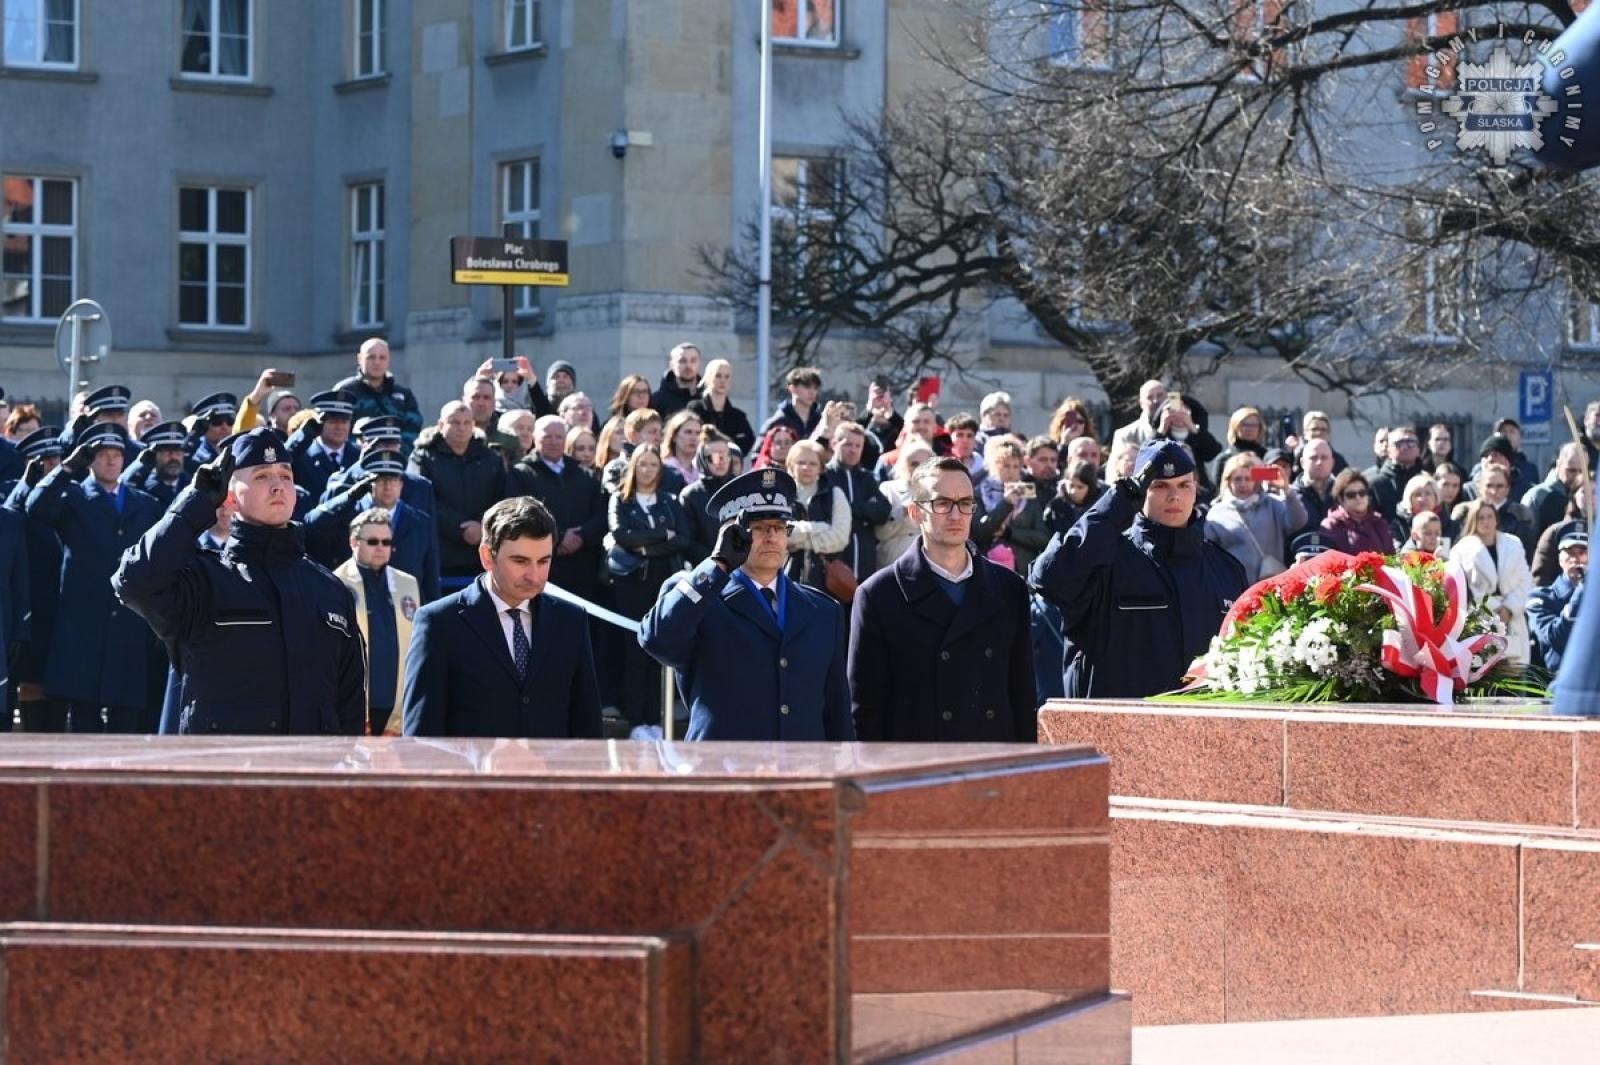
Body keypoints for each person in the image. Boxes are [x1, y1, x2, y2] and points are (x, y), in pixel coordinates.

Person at [113, 427, 367, 734]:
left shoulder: (327, 588)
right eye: (262, 476)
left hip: (309, 773)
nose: (278, 487)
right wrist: (195, 504)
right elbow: (134, 581)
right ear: (230, 497)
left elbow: (349, 700)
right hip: (226, 771)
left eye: (285, 475)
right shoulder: (204, 580)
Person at [638, 467, 854, 740]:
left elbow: (836, 710)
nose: (771, 537)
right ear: (731, 535)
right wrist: (717, 565)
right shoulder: (700, 596)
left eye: (779, 527)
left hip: (802, 772)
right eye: (758, 528)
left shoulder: (822, 610)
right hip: (726, 771)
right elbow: (658, 641)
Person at [1029, 439, 1247, 698]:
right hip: (1116, 728)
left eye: (1184, 485)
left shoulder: (1225, 568)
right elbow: (1050, 578)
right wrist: (1117, 502)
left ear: (1196, 489)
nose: (1174, 496)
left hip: (1203, 728)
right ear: (1139, 492)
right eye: (1160, 485)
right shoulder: (1104, 559)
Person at [849, 455, 1035, 742]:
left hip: (994, 763)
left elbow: (1022, 695)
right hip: (919, 769)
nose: (956, 515)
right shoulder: (878, 595)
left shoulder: (1008, 589)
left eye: (964, 503)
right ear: (915, 512)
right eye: (942, 503)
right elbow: (865, 709)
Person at [401, 496, 602, 738]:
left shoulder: (571, 621)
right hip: (472, 774)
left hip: (549, 773)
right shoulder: (439, 623)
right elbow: (422, 734)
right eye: (520, 561)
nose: (534, 575)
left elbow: (587, 724)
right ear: (487, 556)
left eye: (544, 561)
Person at [26, 422, 162, 732]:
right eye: (102, 454)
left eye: (117, 454)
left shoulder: (145, 504)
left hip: (128, 627)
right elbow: (35, 507)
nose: (111, 461)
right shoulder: (73, 497)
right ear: (90, 459)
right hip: (83, 630)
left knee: (126, 724)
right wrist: (66, 469)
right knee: (83, 724)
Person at [607, 445, 695, 729]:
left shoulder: (670, 501)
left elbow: (682, 539)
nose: (647, 470)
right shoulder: (620, 499)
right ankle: (636, 721)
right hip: (631, 583)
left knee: (658, 651)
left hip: (662, 581)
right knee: (633, 652)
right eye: (642, 464)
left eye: (653, 465)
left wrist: (645, 547)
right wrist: (660, 536)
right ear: (633, 466)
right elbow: (620, 534)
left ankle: (656, 719)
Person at [304, 453, 441, 602]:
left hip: (405, 604)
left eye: (393, 480)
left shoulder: (419, 522)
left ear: (401, 484)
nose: (388, 487)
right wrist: (349, 496)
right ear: (369, 484)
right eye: (381, 480)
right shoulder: (350, 513)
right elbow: (311, 524)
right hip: (356, 601)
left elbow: (431, 576)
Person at [334, 508, 420, 736]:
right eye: (372, 541)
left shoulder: (408, 584)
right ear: (354, 541)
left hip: (397, 704)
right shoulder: (335, 582)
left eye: (386, 541)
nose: (381, 547)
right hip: (353, 703)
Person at [409, 400, 508, 591]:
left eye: (467, 423)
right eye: (455, 422)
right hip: (440, 555)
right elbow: (421, 499)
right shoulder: (423, 457)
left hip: (482, 553)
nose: (461, 428)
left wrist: (482, 527)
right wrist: (459, 528)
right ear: (440, 425)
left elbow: (502, 499)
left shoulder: (490, 458)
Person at [509, 416, 607, 605]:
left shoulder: (585, 475)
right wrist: (560, 537)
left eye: (559, 437)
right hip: (542, 568)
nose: (553, 442)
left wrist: (582, 535)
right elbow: (519, 516)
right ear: (534, 438)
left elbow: (601, 514)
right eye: (547, 437)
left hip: (584, 568)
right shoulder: (520, 474)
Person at [5, 426, 65, 732]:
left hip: (63, 605)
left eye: (56, 459)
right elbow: (9, 520)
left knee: (59, 683)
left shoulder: (68, 493)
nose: (52, 466)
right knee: (31, 681)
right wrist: (26, 483)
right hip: (33, 605)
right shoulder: (20, 494)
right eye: (44, 461)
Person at [1448, 498, 1533, 669]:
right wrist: (1494, 608)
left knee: (1516, 674)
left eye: (1490, 516)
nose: (1486, 521)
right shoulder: (1461, 549)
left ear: (1496, 519)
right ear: (1473, 520)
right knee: (1485, 671)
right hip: (1481, 618)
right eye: (1481, 517)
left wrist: (1509, 608)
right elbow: (1462, 588)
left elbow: (1525, 580)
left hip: (1513, 617)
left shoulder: (1514, 544)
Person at [1205, 452, 1307, 581]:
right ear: (1228, 481)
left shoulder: (1272, 504)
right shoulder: (1217, 512)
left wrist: (1287, 491)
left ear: (1256, 481)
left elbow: (1299, 522)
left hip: (1269, 582)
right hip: (1234, 584)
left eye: (1248, 479)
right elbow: (1210, 553)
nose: (1243, 484)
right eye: (1237, 479)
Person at [972, 436, 1051, 575]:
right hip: (989, 571)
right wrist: (1006, 503)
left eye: (1016, 466)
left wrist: (1010, 533)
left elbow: (1043, 538)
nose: (1011, 471)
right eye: (1006, 466)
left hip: (1023, 572)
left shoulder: (1027, 494)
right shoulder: (979, 493)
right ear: (994, 465)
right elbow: (980, 532)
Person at [333, 338, 425, 456]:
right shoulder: (345, 392)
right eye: (371, 357)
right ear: (360, 359)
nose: (377, 362)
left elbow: (413, 431)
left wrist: (394, 452)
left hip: (396, 462)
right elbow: (335, 430)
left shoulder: (404, 395)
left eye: (382, 357)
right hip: (355, 462)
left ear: (388, 360)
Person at [825, 421, 892, 581]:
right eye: (848, 444)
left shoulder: (867, 477)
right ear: (834, 444)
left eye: (858, 445)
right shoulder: (824, 476)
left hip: (864, 565)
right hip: (833, 566)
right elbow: (826, 511)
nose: (853, 450)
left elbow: (883, 510)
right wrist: (864, 515)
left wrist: (850, 509)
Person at [785, 440, 851, 595]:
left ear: (821, 468)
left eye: (812, 463)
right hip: (785, 578)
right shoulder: (779, 496)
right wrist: (819, 527)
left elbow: (840, 537)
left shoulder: (835, 495)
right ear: (790, 466)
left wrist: (799, 541)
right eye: (801, 462)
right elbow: (779, 533)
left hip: (824, 584)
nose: (806, 468)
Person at [1527, 531, 1587, 675]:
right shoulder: (1540, 597)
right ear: (1560, 559)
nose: (1576, 559)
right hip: (1559, 677)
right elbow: (1555, 637)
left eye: (1582, 552)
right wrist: (1581, 591)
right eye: (1570, 552)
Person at [289, 390, 361, 504]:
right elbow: (282, 458)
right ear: (320, 422)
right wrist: (302, 435)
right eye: (333, 421)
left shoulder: (359, 456)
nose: (340, 427)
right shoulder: (302, 454)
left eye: (344, 421)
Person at [678, 426, 737, 562]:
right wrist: (716, 562)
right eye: (713, 457)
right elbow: (688, 541)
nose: (720, 461)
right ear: (703, 460)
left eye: (724, 455)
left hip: (742, 568)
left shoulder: (742, 489)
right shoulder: (691, 495)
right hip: (704, 568)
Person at [875, 437, 935, 566]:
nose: (919, 469)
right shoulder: (888, 489)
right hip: (894, 560)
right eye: (914, 464)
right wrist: (903, 511)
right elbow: (880, 533)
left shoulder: (939, 491)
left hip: (929, 561)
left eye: (925, 464)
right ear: (903, 464)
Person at [1461, 463, 1536, 563]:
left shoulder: (1521, 514)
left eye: (1499, 486)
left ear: (1508, 488)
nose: (1493, 491)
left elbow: (1528, 552)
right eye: (1489, 486)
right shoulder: (1465, 512)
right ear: (1480, 487)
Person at [686, 357, 756, 456]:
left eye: (727, 377)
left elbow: (748, 440)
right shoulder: (695, 408)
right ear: (709, 377)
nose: (723, 380)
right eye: (718, 376)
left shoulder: (738, 416)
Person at [1523, 443, 1588, 545]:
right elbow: (1526, 541)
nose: (1577, 476)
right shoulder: (1537, 497)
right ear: (1559, 464)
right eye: (1571, 470)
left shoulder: (1592, 496)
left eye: (1582, 471)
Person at [118, 420, 191, 509]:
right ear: (153, 456)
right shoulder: (141, 487)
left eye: (178, 452)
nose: (173, 458)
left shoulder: (191, 484)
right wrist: (139, 465)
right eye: (167, 452)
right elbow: (120, 490)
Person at [1320, 468, 1394, 553]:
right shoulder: (1330, 525)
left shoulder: (1379, 523)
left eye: (1362, 493)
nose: (1358, 498)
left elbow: (1391, 557)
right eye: (1351, 495)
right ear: (1341, 499)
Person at [1366, 425, 1427, 521]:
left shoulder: (1427, 482)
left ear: (1418, 450)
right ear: (1389, 450)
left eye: (1411, 443)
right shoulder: (1375, 484)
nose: (1405, 447)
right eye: (1399, 443)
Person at [1292, 438, 1338, 541]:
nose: (1319, 462)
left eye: (1324, 457)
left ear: (1332, 462)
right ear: (1302, 462)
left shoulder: (1344, 494)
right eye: (1313, 458)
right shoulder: (1290, 495)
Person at [1209, 406, 1269, 486]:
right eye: (1244, 425)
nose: (1249, 429)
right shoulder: (1224, 458)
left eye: (1254, 425)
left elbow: (1269, 483)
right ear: (1235, 427)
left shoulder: (1267, 456)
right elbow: (1218, 488)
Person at [1044, 460, 1105, 536]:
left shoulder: (1101, 508)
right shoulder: (1055, 508)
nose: (1073, 491)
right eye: (1071, 486)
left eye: (1080, 487)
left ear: (1090, 487)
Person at [1390, 473, 1451, 550]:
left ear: (1436, 497)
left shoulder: (1450, 525)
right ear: (1409, 499)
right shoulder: (1398, 525)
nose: (1423, 499)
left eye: (1428, 494)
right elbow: (1398, 554)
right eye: (1417, 495)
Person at [762, 366, 823, 439]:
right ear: (792, 388)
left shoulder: (821, 421)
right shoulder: (778, 421)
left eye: (815, 388)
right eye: (807, 386)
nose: (812, 392)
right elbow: (759, 450)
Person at [185, 391, 239, 466]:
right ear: (203, 425)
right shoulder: (196, 456)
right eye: (217, 422)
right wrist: (193, 437)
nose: (225, 427)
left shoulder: (238, 452)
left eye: (230, 421)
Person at [651, 342, 701, 419]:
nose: (688, 365)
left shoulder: (708, 398)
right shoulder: (656, 401)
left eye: (693, 360)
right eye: (682, 361)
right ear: (671, 365)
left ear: (699, 363)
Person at [661, 409, 704, 487]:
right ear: (674, 436)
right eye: (688, 432)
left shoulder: (703, 471)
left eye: (698, 433)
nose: (694, 438)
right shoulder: (664, 469)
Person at [1023, 436, 1061, 501]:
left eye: (1053, 460)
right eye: (1043, 460)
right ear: (1027, 461)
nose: (1049, 465)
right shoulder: (1020, 487)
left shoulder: (1062, 488)